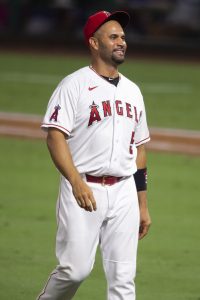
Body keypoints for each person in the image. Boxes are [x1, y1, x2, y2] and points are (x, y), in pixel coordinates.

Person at [36, 10, 151, 300]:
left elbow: (139, 148)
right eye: (113, 37)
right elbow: (54, 136)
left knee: (124, 279)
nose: (121, 42)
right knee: (74, 271)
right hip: (83, 187)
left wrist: (142, 204)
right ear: (94, 43)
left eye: (123, 37)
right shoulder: (73, 85)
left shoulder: (134, 91)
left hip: (124, 191)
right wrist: (75, 181)